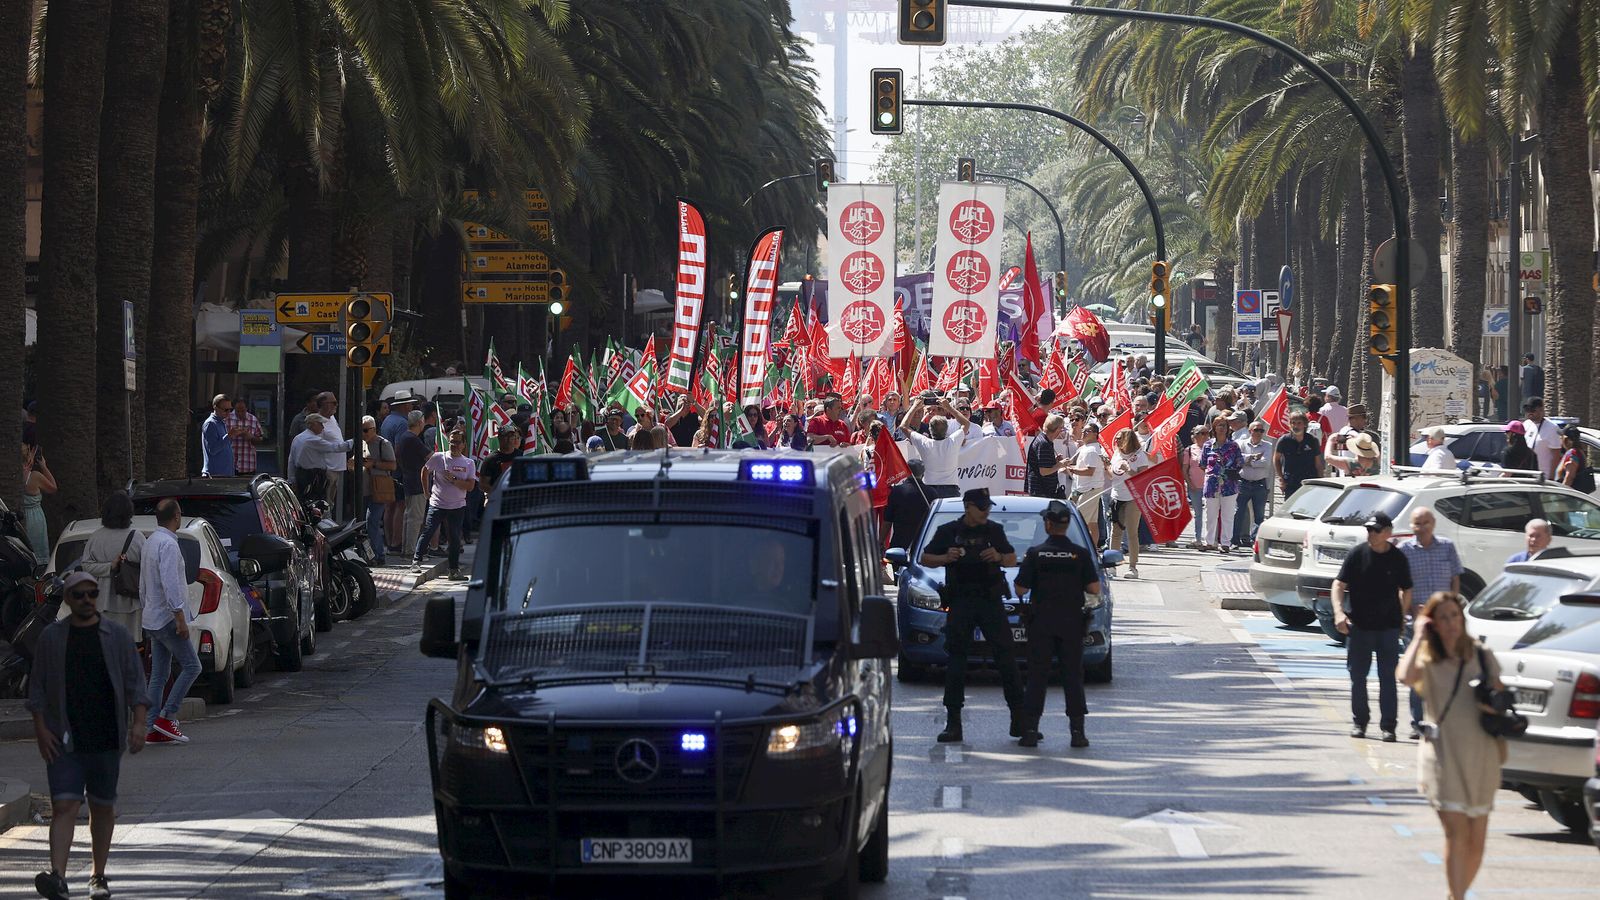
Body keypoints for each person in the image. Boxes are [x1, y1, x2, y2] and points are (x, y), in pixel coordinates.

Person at [26, 570, 149, 900]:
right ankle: (58, 877)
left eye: (91, 594)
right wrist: (40, 729)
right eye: (78, 595)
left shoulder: (117, 636)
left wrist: (139, 724)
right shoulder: (52, 638)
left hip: (106, 736)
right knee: (64, 805)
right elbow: (36, 689)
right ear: (67, 598)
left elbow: (137, 685)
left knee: (102, 807)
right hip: (63, 738)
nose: (86, 600)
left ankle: (98, 875)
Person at [1397, 591, 1506, 900]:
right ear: (1433, 622)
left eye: (1454, 615)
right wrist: (1418, 635)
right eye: (1442, 617)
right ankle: (1458, 897)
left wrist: (1493, 703)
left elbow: (1501, 697)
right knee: (1456, 834)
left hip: (1481, 754)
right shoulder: (1428, 660)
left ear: (1462, 618)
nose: (1450, 623)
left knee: (1477, 841)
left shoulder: (1482, 655)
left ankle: (1454, 894)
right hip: (1443, 756)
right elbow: (1404, 676)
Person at [919, 488, 1025, 743]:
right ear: (968, 507)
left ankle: (1020, 719)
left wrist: (998, 556)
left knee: (1006, 658)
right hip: (962, 602)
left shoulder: (993, 531)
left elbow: (1012, 559)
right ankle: (953, 722)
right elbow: (925, 558)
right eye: (981, 506)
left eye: (987, 506)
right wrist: (947, 557)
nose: (986, 510)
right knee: (956, 661)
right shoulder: (949, 531)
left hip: (990, 602)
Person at [1013, 500, 1102, 749]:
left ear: (1048, 524)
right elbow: (1094, 588)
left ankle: (1030, 731)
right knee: (1073, 676)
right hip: (1072, 623)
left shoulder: (1035, 553)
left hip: (1041, 623)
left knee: (1037, 677)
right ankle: (1077, 733)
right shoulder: (1080, 554)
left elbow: (1020, 587)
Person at [1332, 512, 1412, 742]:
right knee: (1358, 676)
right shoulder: (1358, 554)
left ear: (1388, 532)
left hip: (1388, 628)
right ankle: (1360, 722)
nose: (1371, 534)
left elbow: (1407, 589)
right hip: (1360, 627)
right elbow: (1339, 583)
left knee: (1388, 678)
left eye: (1376, 530)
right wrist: (1339, 612)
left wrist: (1402, 618)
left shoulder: (1397, 558)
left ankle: (1389, 726)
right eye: (1368, 529)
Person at [1397, 507, 1463, 739]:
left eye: (1426, 522)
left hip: (1444, 625)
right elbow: (1401, 587)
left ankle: (1441, 720)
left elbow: (1455, 579)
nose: (1422, 527)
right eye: (1417, 523)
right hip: (1416, 623)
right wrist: (1405, 612)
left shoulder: (1446, 546)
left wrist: (1453, 607)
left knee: (1444, 673)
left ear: (1433, 523)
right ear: (1411, 526)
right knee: (1417, 673)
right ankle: (1417, 722)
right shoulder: (1404, 551)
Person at [140, 499, 201, 746]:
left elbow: (142, 584)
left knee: (159, 674)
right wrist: (180, 618)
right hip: (167, 618)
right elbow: (171, 584)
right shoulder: (169, 546)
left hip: (152, 618)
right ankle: (167, 717)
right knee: (192, 666)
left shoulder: (150, 542)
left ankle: (152, 727)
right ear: (176, 516)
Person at [75, 492, 146, 643]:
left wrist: (109, 567)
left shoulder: (96, 537)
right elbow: (147, 569)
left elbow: (86, 565)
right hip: (131, 603)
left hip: (102, 602)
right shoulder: (137, 538)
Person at [412, 429, 477, 580]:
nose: (454, 445)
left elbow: (470, 486)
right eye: (451, 441)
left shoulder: (469, 463)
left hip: (457, 506)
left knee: (454, 538)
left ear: (463, 445)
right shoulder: (438, 457)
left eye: (457, 442)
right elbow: (425, 471)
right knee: (428, 531)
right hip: (437, 504)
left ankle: (453, 570)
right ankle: (416, 560)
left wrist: (454, 479)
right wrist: (426, 492)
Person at [903, 398, 970, 499]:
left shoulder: (923, 442)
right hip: (951, 490)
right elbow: (966, 423)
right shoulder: (953, 441)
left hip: (929, 490)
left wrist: (915, 407)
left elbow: (903, 426)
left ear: (930, 429)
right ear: (947, 429)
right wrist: (948, 407)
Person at [1107, 428, 1151, 578]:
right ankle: (1112, 565)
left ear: (1128, 439)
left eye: (1120, 438)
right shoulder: (1116, 453)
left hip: (1133, 497)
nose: (1116, 440)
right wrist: (1106, 466)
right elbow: (1113, 475)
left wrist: (1129, 470)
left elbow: (1144, 478)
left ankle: (1133, 567)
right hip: (1117, 496)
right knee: (1115, 532)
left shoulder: (1140, 456)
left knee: (1132, 532)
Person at [1199, 416, 1242, 553]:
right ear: (1214, 428)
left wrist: (1229, 470)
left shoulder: (1233, 446)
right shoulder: (1207, 445)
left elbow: (1240, 462)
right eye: (1219, 425)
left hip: (1229, 485)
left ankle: (1225, 543)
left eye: (1224, 425)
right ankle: (1209, 542)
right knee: (1210, 515)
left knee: (1227, 515)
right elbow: (1202, 464)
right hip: (1212, 484)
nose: (1222, 428)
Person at [359, 416, 396, 566]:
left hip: (379, 490)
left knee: (372, 522)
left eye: (366, 430)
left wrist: (374, 464)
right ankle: (367, 554)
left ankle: (378, 555)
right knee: (363, 524)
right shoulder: (361, 443)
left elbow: (393, 466)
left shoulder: (383, 444)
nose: (363, 433)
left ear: (374, 429)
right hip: (363, 489)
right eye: (361, 430)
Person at [1064, 422, 1107, 548]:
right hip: (1082, 489)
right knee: (1092, 523)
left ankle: (1078, 548)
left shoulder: (1093, 450)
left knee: (1077, 521)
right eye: (1084, 430)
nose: (1084, 432)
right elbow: (1074, 463)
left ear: (1095, 434)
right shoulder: (1084, 448)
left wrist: (1071, 470)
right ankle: (1092, 549)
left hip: (1089, 490)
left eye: (1088, 431)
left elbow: (1089, 471)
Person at [395, 411, 430, 559]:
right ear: (420, 422)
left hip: (408, 479)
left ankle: (406, 548)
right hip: (416, 481)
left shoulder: (404, 437)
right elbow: (429, 456)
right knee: (415, 518)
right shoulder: (413, 439)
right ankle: (410, 551)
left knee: (409, 516)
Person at [1234, 421, 1272, 544]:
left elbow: (1265, 463)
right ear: (1250, 431)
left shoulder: (1268, 446)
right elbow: (1237, 459)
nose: (1259, 433)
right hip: (1243, 483)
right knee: (1238, 513)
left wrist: (1248, 461)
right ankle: (1234, 540)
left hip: (1260, 484)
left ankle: (1255, 541)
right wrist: (1255, 457)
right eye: (1256, 430)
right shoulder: (1241, 444)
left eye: (1261, 431)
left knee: (1259, 515)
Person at [883, 460, 932, 552]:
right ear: (923, 473)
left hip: (898, 547)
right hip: (923, 546)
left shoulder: (896, 492)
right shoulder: (931, 493)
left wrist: (881, 541)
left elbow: (887, 521)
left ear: (905, 471)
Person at [1274, 411, 1324, 499]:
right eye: (1293, 423)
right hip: (1291, 482)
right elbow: (1276, 459)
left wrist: (1320, 480)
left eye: (1299, 423)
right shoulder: (1284, 440)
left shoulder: (1312, 440)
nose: (1296, 426)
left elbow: (1318, 463)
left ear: (1305, 424)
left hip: (1309, 481)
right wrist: (1281, 479)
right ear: (1289, 424)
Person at [22, 443, 57, 565]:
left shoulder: (11, 476)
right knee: (38, 549)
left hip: (21, 516)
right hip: (35, 517)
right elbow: (53, 488)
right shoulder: (34, 477)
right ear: (28, 457)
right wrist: (44, 466)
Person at [1025, 415, 1067, 498]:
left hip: (1041, 490)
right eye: (1061, 429)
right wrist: (1060, 464)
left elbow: (1042, 463)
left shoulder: (1043, 439)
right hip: (1041, 491)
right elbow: (1044, 471)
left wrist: (1054, 461)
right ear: (1057, 429)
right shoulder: (1044, 443)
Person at [1181, 424, 1208, 548]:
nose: (1204, 436)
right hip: (1195, 486)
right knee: (1198, 513)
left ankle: (1209, 538)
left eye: (1206, 433)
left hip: (1210, 486)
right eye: (1200, 433)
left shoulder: (1211, 448)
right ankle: (1198, 538)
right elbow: (1185, 469)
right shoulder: (1189, 450)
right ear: (1194, 436)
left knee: (1210, 513)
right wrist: (1189, 484)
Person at [1521, 396, 1562, 476]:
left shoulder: (1552, 428)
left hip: (1543, 476)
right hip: (1527, 474)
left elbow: (1556, 456)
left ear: (1541, 410)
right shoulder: (1526, 424)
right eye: (1527, 410)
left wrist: (1551, 477)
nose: (1529, 413)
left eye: (1532, 410)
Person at [226, 397, 264, 477]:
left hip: (248, 464)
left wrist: (250, 437)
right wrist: (231, 434)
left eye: (242, 411)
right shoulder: (226, 419)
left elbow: (260, 439)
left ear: (247, 408)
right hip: (230, 464)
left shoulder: (253, 420)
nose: (240, 413)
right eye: (237, 411)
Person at [199, 394, 234, 478]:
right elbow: (213, 449)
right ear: (215, 408)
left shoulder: (221, 422)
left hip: (224, 474)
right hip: (215, 475)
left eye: (230, 409)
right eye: (226, 410)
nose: (229, 412)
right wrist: (229, 436)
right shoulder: (210, 424)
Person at [1555, 425, 1590, 491]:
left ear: (1566, 439)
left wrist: (1561, 493)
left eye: (1561, 436)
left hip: (1569, 496)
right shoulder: (1580, 451)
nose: (1560, 438)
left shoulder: (1572, 454)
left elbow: (1569, 477)